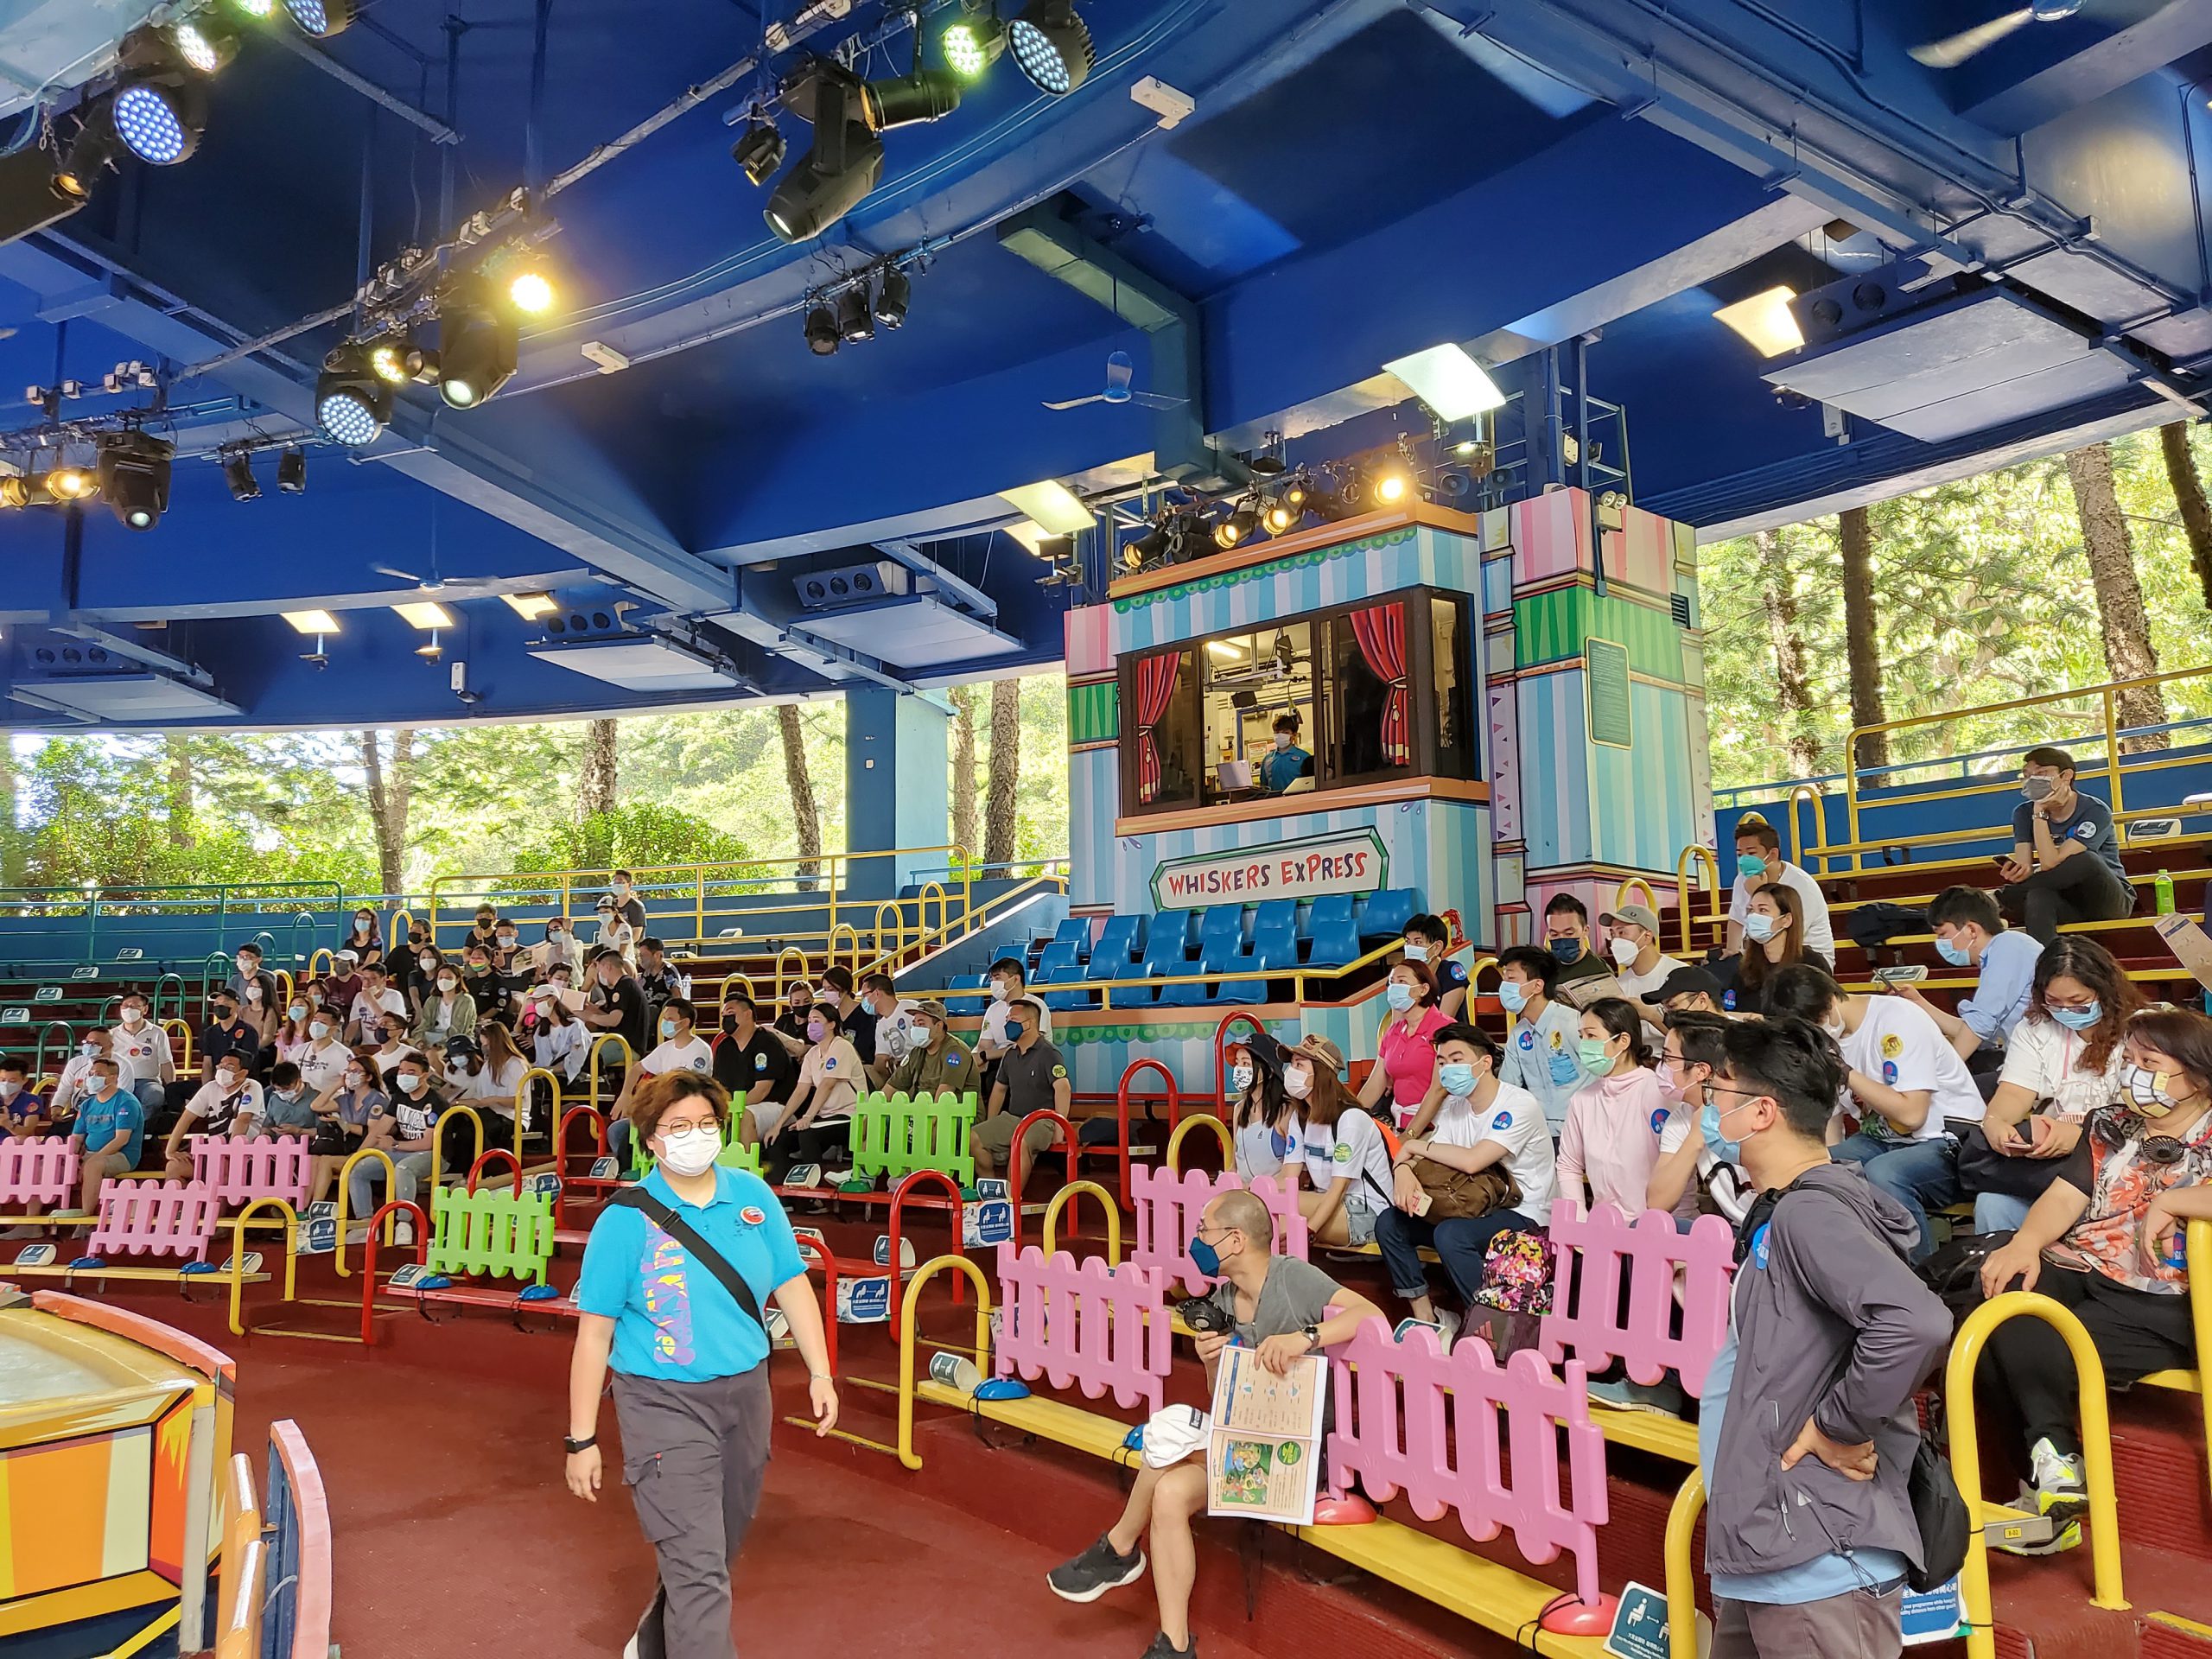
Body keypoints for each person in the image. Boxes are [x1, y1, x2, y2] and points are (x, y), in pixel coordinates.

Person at [1697, 1015, 1951, 1659]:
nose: (1706, 1105)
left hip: (1816, 1551)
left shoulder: (1810, 1210)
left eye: (1717, 1090)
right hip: (1767, 1543)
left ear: (1761, 1112)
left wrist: (1839, 1427)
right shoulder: (1787, 1209)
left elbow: (1914, 1322)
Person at [566, 1072, 837, 1659]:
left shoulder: (752, 1196)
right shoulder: (624, 1221)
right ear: (651, 1139)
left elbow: (791, 1283)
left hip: (747, 1396)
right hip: (662, 1403)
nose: (696, 1136)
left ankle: (656, 1642)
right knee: (698, 1568)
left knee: (715, 1549)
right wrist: (581, 1439)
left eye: (707, 1123)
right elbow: (594, 1336)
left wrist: (820, 1372)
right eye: (679, 1126)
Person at [1045, 1189, 1382, 1659]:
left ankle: (1119, 1548)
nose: (1198, 1240)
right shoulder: (1223, 1301)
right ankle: (1175, 1644)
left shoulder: (1293, 1278)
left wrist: (1306, 1337)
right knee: (1168, 1492)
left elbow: (1371, 1314)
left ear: (1236, 1240)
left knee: (1167, 1443)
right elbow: (1221, 1395)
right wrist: (1211, 1362)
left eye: (1204, 1230)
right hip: (1243, 1446)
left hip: (1296, 1456)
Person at [1979, 1007, 2212, 1532]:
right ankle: (2055, 1467)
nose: (2132, 1073)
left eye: (2149, 1063)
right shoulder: (2112, 1122)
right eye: (2129, 1060)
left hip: (2164, 1299)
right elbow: (2068, 1193)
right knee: (2005, 1294)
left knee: (2021, 1341)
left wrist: (2177, 1199)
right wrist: (2025, 1243)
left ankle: (2048, 1482)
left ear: (2197, 1078)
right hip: (2087, 1264)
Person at [1764, 964, 1984, 1262]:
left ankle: (1921, 1276)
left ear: (1829, 1004)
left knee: (1884, 1174)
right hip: (1882, 1140)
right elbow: (1831, 1120)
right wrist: (1824, 1164)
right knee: (1812, 1170)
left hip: (1947, 1140)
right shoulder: (1823, 1041)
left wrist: (1845, 1072)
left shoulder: (1897, 1020)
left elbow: (1912, 1116)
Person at [1377, 1024, 1554, 1346]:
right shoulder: (1455, 1107)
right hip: (1468, 1205)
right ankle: (1429, 1319)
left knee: (1451, 1234)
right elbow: (1426, 1157)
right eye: (1442, 1062)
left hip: (1524, 1212)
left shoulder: (1518, 1104)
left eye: (1457, 1059)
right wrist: (1403, 1168)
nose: (1447, 1069)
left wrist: (1413, 1146)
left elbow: (1473, 1160)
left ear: (1485, 1062)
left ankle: (1493, 1331)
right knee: (1390, 1223)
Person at [1965, 938, 2145, 1231]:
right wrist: (1996, 1122)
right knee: (1992, 1203)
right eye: (2054, 1002)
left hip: (2118, 1157)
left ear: (2106, 991)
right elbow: (2015, 1091)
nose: (2066, 1011)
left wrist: (2082, 1137)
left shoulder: (2143, 1030)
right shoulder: (2036, 1027)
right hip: (2051, 1162)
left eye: (2078, 1002)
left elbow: (2147, 1114)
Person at [1557, 998, 1689, 1222]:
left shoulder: (1656, 1090)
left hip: (1656, 1224)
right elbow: (1569, 1165)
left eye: (1591, 1036)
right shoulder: (1582, 1100)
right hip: (1604, 1225)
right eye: (1582, 1037)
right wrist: (1579, 1221)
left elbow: (1680, 1165)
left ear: (1623, 1041)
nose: (1584, 1045)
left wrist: (1676, 1222)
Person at [1897, 886, 2042, 1080]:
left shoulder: (2008, 946)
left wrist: (1940, 1077)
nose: (1939, 942)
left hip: (2039, 1066)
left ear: (1971, 929)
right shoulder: (1998, 953)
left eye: (1943, 934)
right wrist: (1918, 1002)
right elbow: (1973, 1030)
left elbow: (1979, 1024)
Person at [1996, 746, 2136, 945]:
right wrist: (2019, 873)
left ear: (2066, 776)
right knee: (2038, 894)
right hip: (2066, 900)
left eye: (2041, 773)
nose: (2032, 780)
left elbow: (2050, 863)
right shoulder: (2023, 813)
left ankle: (2000, 899)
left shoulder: (2095, 811)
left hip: (2107, 900)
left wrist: (2040, 814)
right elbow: (2026, 865)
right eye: (2026, 776)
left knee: (2086, 860)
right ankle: (2045, 959)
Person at [1648, 1013, 1755, 1225]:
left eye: (1668, 1059)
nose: (1661, 1067)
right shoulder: (1681, 1119)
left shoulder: (1751, 1109)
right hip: (1739, 1229)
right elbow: (1658, 1202)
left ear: (1701, 1071)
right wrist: (1696, 1137)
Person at [1297, 1039, 1395, 1247]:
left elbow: (1339, 1188)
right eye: (1292, 1065)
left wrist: (1309, 1230)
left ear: (1321, 1074)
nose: (1291, 1072)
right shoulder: (1300, 1117)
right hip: (1329, 1201)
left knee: (1283, 1213)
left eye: (1299, 1065)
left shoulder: (1350, 1118)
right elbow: (1288, 1175)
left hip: (1370, 1211)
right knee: (1267, 1205)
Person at [766, 999, 866, 1182]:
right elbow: (800, 1091)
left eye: (817, 1021)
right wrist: (778, 1125)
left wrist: (808, 1117)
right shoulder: (812, 1054)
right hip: (824, 1118)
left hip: (850, 1116)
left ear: (832, 1024)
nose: (811, 1025)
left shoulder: (841, 1046)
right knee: (778, 1140)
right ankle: (782, 1190)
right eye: (810, 1021)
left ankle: (815, 1189)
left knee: (808, 1134)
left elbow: (828, 1084)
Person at [976, 995, 1068, 1191]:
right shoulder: (1010, 1054)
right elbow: (999, 1089)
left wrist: (1060, 1128)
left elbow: (1063, 1088)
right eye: (1007, 1020)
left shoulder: (1049, 1053)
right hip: (1013, 1118)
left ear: (1030, 1023)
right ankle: (994, 1191)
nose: (1008, 1024)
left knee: (1021, 1142)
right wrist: (991, 1121)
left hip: (1042, 1120)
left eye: (1014, 1020)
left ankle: (1012, 1198)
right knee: (973, 1138)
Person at [612, 999, 717, 1161]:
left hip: (686, 1113)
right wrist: (625, 1095)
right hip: (662, 1110)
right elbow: (636, 1069)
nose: (665, 1023)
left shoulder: (700, 1050)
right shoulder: (665, 1049)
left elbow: (690, 1086)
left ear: (685, 1022)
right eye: (665, 1019)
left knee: (629, 1133)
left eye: (670, 1019)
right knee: (616, 1131)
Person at [1496, 944, 1588, 1128]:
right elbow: (1508, 1086)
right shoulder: (1518, 1033)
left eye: (1511, 979)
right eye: (1504, 979)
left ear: (1537, 986)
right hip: (1539, 1127)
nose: (1504, 987)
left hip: (1579, 1124)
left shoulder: (1573, 1022)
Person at [1355, 959, 1449, 1131]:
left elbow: (1438, 1090)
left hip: (1438, 1126)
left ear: (1423, 989)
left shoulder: (1445, 1028)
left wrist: (1410, 1134)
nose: (1394, 987)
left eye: (1402, 981)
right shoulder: (1393, 1032)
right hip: (1401, 1124)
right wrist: (1350, 1117)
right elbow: (1375, 1083)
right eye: (1392, 982)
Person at [1725, 818, 1836, 959]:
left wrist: (1757, 893)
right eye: (1740, 855)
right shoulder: (1742, 879)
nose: (1743, 860)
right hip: (1762, 955)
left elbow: (1787, 934)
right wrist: (1731, 953)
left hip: (1804, 955)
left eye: (1751, 853)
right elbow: (1736, 920)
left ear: (1773, 854)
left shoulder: (1802, 885)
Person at [713, 992, 800, 1144]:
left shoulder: (767, 1042)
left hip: (775, 1106)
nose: (726, 1018)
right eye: (723, 1015)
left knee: (745, 1117)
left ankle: (747, 1160)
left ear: (748, 1014)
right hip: (733, 1108)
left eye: (730, 1013)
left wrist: (734, 1110)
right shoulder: (724, 1047)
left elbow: (762, 1090)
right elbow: (718, 1086)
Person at [1727, 884, 1829, 1014]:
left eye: (1763, 910)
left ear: (1786, 920)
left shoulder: (1812, 965)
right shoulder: (1744, 968)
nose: (1753, 916)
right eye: (1751, 910)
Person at [63, 1059, 146, 1215]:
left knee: (93, 1166)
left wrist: (93, 1159)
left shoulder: (126, 1102)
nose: (92, 1078)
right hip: (90, 1153)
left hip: (121, 1155)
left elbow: (121, 1139)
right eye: (90, 1074)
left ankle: (86, 1216)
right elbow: (77, 1137)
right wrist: (70, 1157)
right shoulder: (87, 1105)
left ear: (113, 1077)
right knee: (51, 1165)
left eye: (98, 1074)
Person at [308, 1054, 388, 1203]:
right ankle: (303, 1206)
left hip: (368, 1150)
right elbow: (316, 1106)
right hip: (348, 1146)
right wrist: (337, 1084)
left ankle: (315, 1205)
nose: (351, 1075)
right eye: (349, 1071)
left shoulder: (377, 1100)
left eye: (355, 1071)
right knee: (315, 1159)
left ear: (369, 1077)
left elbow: (372, 1133)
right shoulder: (347, 1099)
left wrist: (343, 1124)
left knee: (326, 1161)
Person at [1227, 1033, 1302, 1183]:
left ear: (1269, 1070)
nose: (1239, 1069)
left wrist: (1259, 1190)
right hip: (1243, 1194)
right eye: (1237, 1063)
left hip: (1275, 1194)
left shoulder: (1286, 1112)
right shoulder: (1239, 1110)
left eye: (1246, 1063)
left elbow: (1293, 1173)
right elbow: (1234, 1164)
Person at [1601, 902, 1687, 1031]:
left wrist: (1650, 1015)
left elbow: (1690, 1036)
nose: (1615, 941)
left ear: (1647, 936)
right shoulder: (1620, 985)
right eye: (1613, 934)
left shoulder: (1680, 974)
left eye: (1622, 932)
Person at [880, 999, 977, 1102]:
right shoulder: (917, 1052)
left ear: (939, 1026)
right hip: (921, 1108)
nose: (916, 1029)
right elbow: (892, 1087)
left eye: (921, 1024)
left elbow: (944, 1097)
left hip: (954, 1110)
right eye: (914, 1024)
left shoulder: (955, 1051)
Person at [975, 957, 1049, 1087]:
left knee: (994, 1080)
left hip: (1030, 1060)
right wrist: (974, 1059)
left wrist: (985, 1055)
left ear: (1016, 979)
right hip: (1000, 1060)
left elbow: (1029, 1044)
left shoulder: (1035, 1005)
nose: (993, 983)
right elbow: (984, 1045)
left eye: (998, 978)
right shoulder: (993, 1009)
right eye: (992, 979)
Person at [107, 990, 175, 1117]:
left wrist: (171, 1088)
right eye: (125, 1006)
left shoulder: (157, 1033)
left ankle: (137, 1124)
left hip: (147, 1082)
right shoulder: (112, 1035)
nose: (129, 1009)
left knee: (155, 1096)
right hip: (119, 1081)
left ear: (145, 1009)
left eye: (134, 1006)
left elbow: (166, 1063)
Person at [582, 946, 651, 1065]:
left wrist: (589, 1016)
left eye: (600, 970)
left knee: (587, 1060)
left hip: (626, 1045)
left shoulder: (625, 986)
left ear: (608, 967)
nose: (600, 975)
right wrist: (593, 1010)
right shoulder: (622, 985)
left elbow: (613, 1020)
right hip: (618, 1041)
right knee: (579, 1051)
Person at [1541, 893, 1614, 995]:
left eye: (1569, 933)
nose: (1561, 939)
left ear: (1585, 931)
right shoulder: (1542, 967)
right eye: (1554, 934)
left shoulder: (1600, 972)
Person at [1400, 912, 1469, 1019]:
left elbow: (1442, 1022)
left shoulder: (1451, 972)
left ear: (1437, 947)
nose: (1410, 948)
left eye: (1418, 942)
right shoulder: (1401, 975)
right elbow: (1397, 1023)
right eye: (1408, 942)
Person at [858, 972, 917, 1087]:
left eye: (864, 996)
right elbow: (880, 1059)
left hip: (918, 1068)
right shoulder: (881, 1025)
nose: (863, 1001)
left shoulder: (909, 1009)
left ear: (877, 993)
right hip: (898, 1075)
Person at [813, 966, 877, 1071]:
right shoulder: (831, 1016)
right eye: (825, 989)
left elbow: (865, 1048)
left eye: (831, 989)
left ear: (845, 988)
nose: (827, 993)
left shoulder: (865, 1014)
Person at [526, 985, 590, 1086]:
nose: (537, 1006)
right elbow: (541, 1060)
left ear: (553, 1000)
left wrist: (549, 1070)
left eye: (540, 1001)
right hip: (548, 1076)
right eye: (535, 1003)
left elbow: (577, 1058)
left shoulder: (575, 1025)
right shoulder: (540, 1031)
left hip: (572, 1078)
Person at [411, 957, 478, 1050]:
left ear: (457, 980)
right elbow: (424, 1025)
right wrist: (420, 1040)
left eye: (448, 978)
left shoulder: (466, 1001)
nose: (444, 980)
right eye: (441, 977)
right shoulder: (432, 1000)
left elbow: (459, 1030)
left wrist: (439, 1045)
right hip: (430, 1039)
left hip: (456, 1042)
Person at [50, 1029, 111, 1121]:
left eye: (96, 1044)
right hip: (78, 1111)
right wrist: (56, 1112)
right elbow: (63, 1090)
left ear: (110, 1046)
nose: (90, 1046)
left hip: (108, 1112)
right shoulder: (75, 1063)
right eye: (87, 1043)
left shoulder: (122, 1065)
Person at [347, 961, 410, 1050]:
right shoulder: (359, 997)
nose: (367, 983)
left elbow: (388, 1023)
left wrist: (371, 1001)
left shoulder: (395, 996)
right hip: (368, 1045)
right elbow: (353, 1024)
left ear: (383, 980)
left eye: (372, 979)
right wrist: (346, 1042)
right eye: (365, 979)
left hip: (391, 1044)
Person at [226, 943, 280, 1036]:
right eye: (240, 957)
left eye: (247, 957)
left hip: (262, 1018)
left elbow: (269, 1000)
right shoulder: (233, 981)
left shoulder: (268, 977)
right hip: (241, 1019)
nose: (242, 960)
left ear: (258, 959)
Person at [260, 1062, 321, 1138]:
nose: (282, 1092)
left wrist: (298, 1131)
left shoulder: (317, 1098)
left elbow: (324, 1131)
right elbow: (267, 1126)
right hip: (280, 1142)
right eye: (278, 1089)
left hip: (308, 1143)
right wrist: (266, 1134)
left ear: (299, 1081)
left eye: (286, 1089)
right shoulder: (274, 1099)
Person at [1255, 710, 1311, 794]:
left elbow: (1310, 785)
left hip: (1298, 800)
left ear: (1294, 735)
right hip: (1274, 800)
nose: (1281, 736)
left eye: (1285, 732)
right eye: (1277, 732)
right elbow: (1264, 787)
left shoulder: (1305, 758)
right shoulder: (1267, 760)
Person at [635, 938, 686, 1021]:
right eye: (639, 956)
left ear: (657, 955)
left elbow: (677, 997)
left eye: (643, 955)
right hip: (646, 1013)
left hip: (661, 1015)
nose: (640, 959)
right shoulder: (646, 973)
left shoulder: (668, 972)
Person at [0, 1058, 49, 1140]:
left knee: (21, 1138)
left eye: (12, 1081)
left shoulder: (31, 1101)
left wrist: (8, 1124)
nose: (6, 1084)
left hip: (16, 1143)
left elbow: (28, 1131)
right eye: (3, 1080)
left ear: (24, 1080)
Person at [1655, 965, 1731, 1018]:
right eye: (1665, 1009)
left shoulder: (1735, 1035)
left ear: (1702, 1000)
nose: (1669, 1016)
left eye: (1671, 1006)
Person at [535, 916, 582, 980]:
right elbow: (550, 973)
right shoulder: (551, 951)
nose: (552, 932)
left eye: (556, 929)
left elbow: (570, 952)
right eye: (550, 931)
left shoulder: (578, 943)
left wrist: (567, 932)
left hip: (574, 982)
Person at [341, 907, 385, 973]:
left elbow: (368, 965)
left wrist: (352, 975)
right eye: (359, 918)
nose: (361, 921)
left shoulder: (376, 941)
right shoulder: (349, 942)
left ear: (372, 922)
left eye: (365, 919)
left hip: (370, 976)